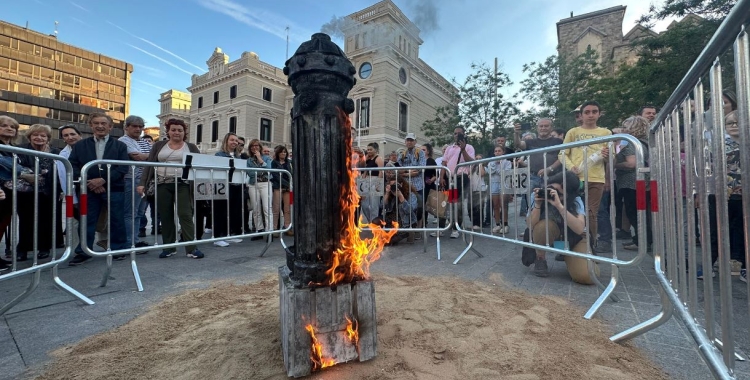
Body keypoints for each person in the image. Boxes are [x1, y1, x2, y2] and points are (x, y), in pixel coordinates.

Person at [68, 113, 130, 265]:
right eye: (96, 123)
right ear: (91, 126)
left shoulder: (120, 146)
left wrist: (103, 180)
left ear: (110, 126)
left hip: (114, 188)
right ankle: (83, 250)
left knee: (117, 219)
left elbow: (123, 168)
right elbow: (73, 166)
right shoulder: (80, 145)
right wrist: (91, 183)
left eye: (104, 123)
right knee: (86, 220)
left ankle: (118, 249)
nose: (100, 126)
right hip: (88, 189)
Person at [137, 118, 204, 259]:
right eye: (173, 129)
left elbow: (199, 166)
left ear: (184, 132)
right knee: (165, 215)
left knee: (185, 214)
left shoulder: (191, 147)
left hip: (183, 184)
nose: (176, 132)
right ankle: (169, 247)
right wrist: (142, 183)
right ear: (168, 131)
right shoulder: (158, 145)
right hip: (162, 184)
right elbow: (149, 165)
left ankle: (191, 248)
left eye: (180, 130)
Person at [527, 169, 598, 283]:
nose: (552, 193)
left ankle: (573, 256)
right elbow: (530, 225)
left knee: (586, 276)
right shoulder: (537, 195)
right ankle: (540, 258)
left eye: (559, 193)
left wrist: (559, 206)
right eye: (551, 188)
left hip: (573, 237)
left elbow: (579, 229)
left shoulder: (576, 200)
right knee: (542, 227)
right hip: (551, 231)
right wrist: (537, 205)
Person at [561, 100, 612, 250]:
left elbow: (612, 158)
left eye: (594, 112)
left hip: (596, 179)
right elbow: (562, 153)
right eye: (587, 112)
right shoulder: (573, 132)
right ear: (581, 115)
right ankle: (569, 245)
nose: (591, 115)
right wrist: (571, 167)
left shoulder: (606, 133)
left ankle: (590, 245)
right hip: (574, 178)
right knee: (570, 211)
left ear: (599, 114)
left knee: (591, 213)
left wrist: (607, 155)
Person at [15, 125, 64, 261]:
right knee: (26, 221)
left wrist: (61, 190)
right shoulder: (22, 149)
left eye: (43, 136)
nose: (39, 138)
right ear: (29, 136)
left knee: (46, 221)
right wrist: (35, 173)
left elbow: (60, 172)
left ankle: (44, 247)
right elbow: (19, 167)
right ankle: (22, 249)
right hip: (27, 192)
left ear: (48, 138)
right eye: (35, 135)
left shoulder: (55, 151)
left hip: (49, 191)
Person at [513, 118, 563, 221]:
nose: (543, 128)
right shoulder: (530, 141)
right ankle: (531, 229)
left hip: (553, 177)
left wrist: (550, 168)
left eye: (546, 126)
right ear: (537, 128)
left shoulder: (558, 141)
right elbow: (519, 144)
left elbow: (562, 157)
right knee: (532, 204)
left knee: (551, 203)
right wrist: (516, 133)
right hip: (533, 177)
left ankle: (550, 228)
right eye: (541, 126)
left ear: (551, 127)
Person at [615, 116, 652, 252]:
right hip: (644, 181)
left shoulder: (629, 142)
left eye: (625, 126)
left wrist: (615, 164)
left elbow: (631, 163)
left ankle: (641, 242)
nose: (623, 128)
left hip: (631, 182)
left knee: (634, 213)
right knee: (643, 213)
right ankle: (644, 240)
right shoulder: (646, 142)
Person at [118, 115, 151, 253]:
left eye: (140, 126)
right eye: (135, 126)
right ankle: (129, 242)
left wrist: (150, 155)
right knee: (130, 213)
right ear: (126, 127)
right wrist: (152, 155)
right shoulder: (124, 140)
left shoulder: (144, 141)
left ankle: (134, 241)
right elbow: (137, 156)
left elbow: (151, 155)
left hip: (144, 179)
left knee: (139, 213)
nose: (138, 129)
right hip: (132, 179)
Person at [435, 126, 475, 238]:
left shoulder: (469, 147)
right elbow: (444, 163)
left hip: (460, 178)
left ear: (464, 134)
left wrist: (463, 149)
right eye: (455, 133)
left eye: (459, 133)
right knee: (444, 203)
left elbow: (470, 161)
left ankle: (455, 228)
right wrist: (441, 177)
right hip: (449, 178)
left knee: (456, 203)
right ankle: (441, 227)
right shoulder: (449, 148)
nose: (457, 135)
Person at [211, 133, 245, 247]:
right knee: (221, 211)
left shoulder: (238, 156)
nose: (235, 142)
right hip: (223, 186)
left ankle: (228, 234)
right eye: (232, 140)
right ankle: (217, 237)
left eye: (236, 141)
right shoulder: (219, 154)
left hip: (236, 185)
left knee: (233, 211)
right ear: (226, 141)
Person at [396, 133, 426, 230]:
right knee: (408, 207)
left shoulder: (420, 153)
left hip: (418, 186)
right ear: (405, 142)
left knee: (420, 208)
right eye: (408, 140)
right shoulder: (402, 154)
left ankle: (419, 228)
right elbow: (399, 170)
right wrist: (409, 172)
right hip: (406, 185)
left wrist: (405, 172)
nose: (409, 142)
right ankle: (410, 228)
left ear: (415, 142)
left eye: (411, 140)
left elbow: (419, 169)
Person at [247, 138, 272, 240]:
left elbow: (269, 170)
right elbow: (250, 173)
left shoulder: (266, 158)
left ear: (260, 147)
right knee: (256, 208)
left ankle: (269, 230)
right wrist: (262, 170)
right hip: (253, 184)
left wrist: (260, 159)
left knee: (267, 208)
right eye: (252, 146)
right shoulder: (249, 160)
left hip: (265, 184)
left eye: (256, 145)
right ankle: (259, 229)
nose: (254, 147)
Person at [486, 146, 513, 233]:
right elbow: (490, 172)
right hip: (494, 184)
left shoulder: (508, 162)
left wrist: (499, 166)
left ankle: (505, 224)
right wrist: (496, 165)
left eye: (499, 151)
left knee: (503, 204)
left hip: (503, 183)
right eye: (496, 151)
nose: (497, 153)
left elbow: (505, 173)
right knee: (495, 205)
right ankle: (498, 224)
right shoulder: (491, 162)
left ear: (503, 152)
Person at [271, 145, 293, 236]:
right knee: (276, 208)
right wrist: (286, 183)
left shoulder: (289, 163)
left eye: (284, 152)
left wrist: (289, 185)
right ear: (278, 153)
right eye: (281, 152)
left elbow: (291, 174)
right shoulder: (274, 162)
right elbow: (275, 175)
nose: (283, 153)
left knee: (287, 209)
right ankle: (274, 229)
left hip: (288, 189)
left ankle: (287, 227)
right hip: (278, 187)